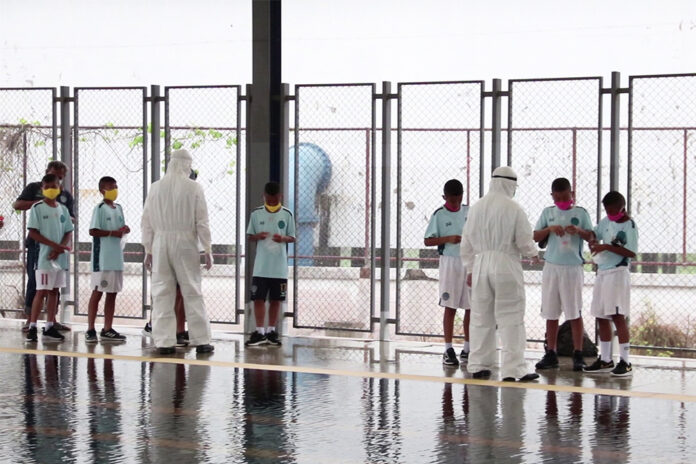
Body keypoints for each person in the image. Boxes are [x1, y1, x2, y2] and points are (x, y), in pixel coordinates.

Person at [460, 166, 539, 382]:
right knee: (511, 316)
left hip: (481, 264)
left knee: (480, 316)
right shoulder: (514, 208)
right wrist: (534, 254)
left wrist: (469, 268)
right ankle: (514, 369)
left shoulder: (476, 208)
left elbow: (465, 242)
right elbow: (524, 240)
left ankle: (479, 364)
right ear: (510, 184)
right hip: (506, 264)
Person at [142, 149, 214, 355]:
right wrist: (207, 248)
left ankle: (164, 341)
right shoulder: (194, 188)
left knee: (162, 292)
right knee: (192, 290)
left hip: (160, 242)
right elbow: (202, 220)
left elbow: (146, 221)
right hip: (185, 244)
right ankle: (201, 340)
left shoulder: (155, 188)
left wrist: (148, 248)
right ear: (186, 165)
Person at [533, 177, 593, 371]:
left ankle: (578, 353)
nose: (561, 201)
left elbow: (591, 236)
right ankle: (551, 352)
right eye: (557, 197)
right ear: (552, 196)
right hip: (552, 267)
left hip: (572, 268)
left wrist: (578, 231)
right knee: (551, 312)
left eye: (564, 197)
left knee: (574, 311)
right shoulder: (547, 213)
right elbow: (535, 236)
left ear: (572, 194)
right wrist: (549, 229)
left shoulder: (581, 213)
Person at [13, 160, 75, 332]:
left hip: (58, 249)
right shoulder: (34, 189)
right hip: (37, 247)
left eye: (59, 179)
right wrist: (43, 204)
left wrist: (60, 246)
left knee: (55, 286)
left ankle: (51, 321)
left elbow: (71, 221)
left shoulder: (65, 197)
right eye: (53, 176)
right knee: (36, 282)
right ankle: (30, 321)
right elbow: (17, 205)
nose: (56, 182)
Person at [584, 191, 638, 377]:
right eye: (606, 210)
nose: (609, 213)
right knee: (601, 315)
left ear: (621, 208)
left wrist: (606, 247)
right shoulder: (605, 222)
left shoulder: (629, 225)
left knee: (617, 315)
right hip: (603, 272)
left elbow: (631, 253)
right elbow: (595, 233)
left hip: (617, 273)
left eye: (612, 210)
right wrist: (592, 239)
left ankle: (625, 361)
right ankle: (605, 359)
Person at [424, 179, 471, 366]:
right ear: (445, 198)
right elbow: (428, 241)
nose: (456, 204)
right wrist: (448, 238)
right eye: (452, 201)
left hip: (468, 260)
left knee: (470, 306)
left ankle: (468, 348)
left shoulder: (469, 212)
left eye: (458, 200)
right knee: (450, 306)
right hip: (450, 263)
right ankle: (448, 348)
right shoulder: (439, 215)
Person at [245, 181, 296, 347]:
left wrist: (283, 239)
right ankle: (259, 331)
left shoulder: (287, 214)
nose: (272, 203)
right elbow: (249, 236)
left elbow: (292, 237)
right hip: (261, 267)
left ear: (279, 197)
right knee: (258, 298)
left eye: (274, 200)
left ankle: (271, 331)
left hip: (279, 268)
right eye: (269, 200)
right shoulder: (256, 214)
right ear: (264, 197)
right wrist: (257, 236)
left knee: (276, 299)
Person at [85, 176, 130, 343]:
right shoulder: (100, 208)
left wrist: (125, 229)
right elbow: (93, 231)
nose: (114, 190)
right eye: (111, 187)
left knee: (112, 294)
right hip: (102, 258)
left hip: (116, 258)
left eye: (116, 186)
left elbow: (121, 228)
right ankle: (90, 328)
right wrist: (112, 233)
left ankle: (107, 328)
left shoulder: (119, 208)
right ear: (102, 190)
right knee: (98, 292)